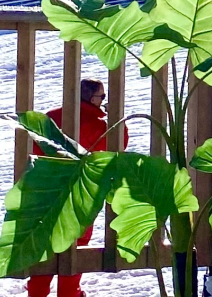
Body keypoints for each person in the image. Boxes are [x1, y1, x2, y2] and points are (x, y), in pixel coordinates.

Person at [28, 79, 128, 297]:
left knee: (44, 242)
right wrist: (115, 119)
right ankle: (69, 292)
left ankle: (36, 292)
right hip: (80, 192)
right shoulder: (99, 124)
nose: (103, 101)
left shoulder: (51, 116)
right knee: (76, 243)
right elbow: (118, 146)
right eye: (102, 97)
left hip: (45, 189)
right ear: (92, 98)